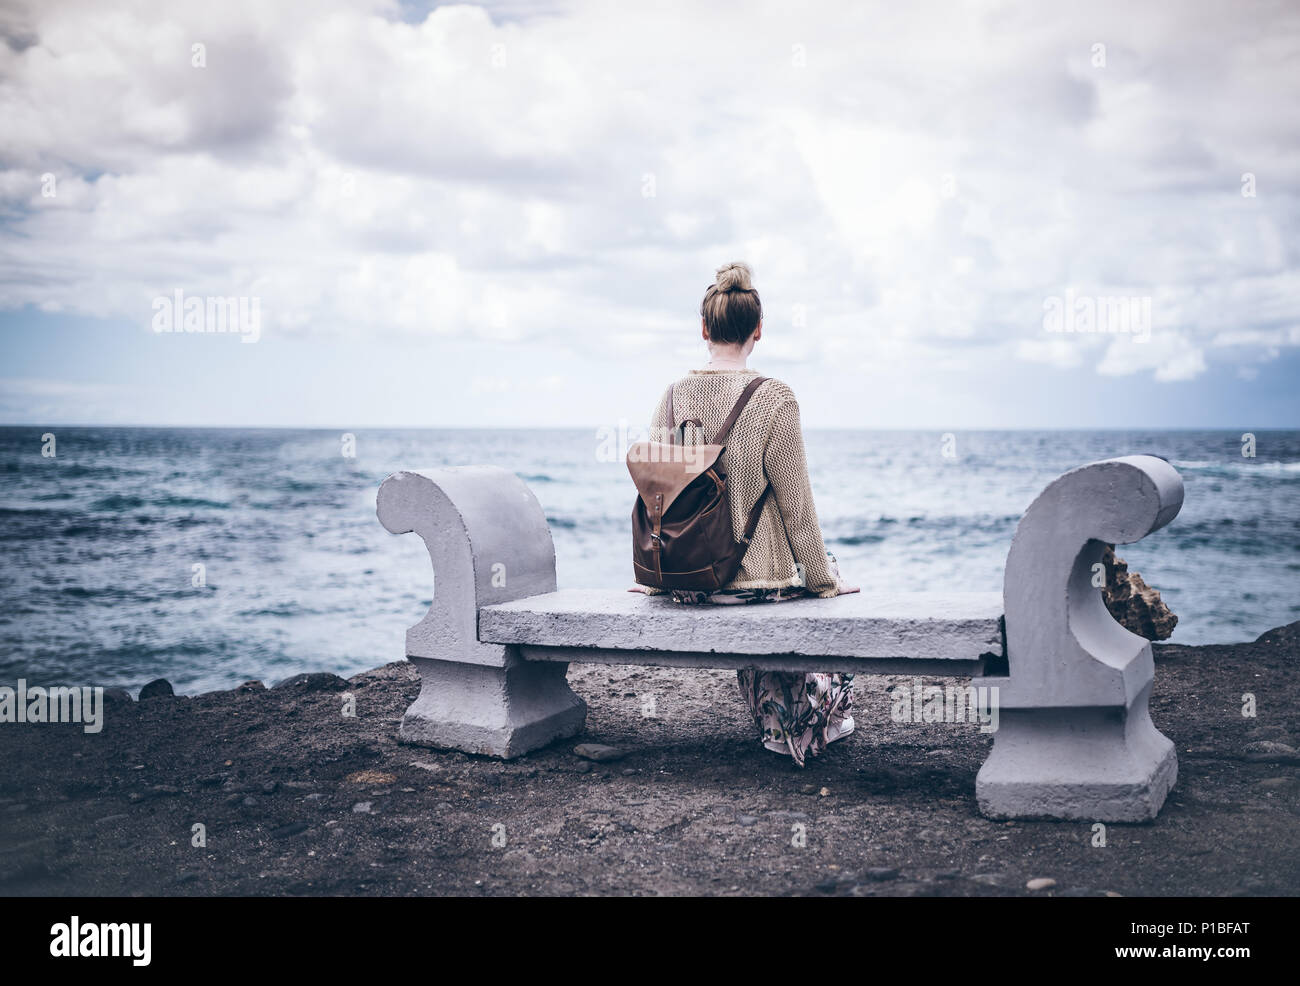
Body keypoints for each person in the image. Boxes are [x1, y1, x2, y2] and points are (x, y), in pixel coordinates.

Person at [632, 262, 859, 767]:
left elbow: (657, 496)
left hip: (689, 581)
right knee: (822, 578)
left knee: (771, 602)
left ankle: (781, 721)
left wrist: (654, 580)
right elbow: (797, 504)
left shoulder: (671, 396)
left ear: (705, 329)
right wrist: (825, 580)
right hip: (749, 583)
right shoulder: (774, 398)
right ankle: (800, 722)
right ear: (758, 329)